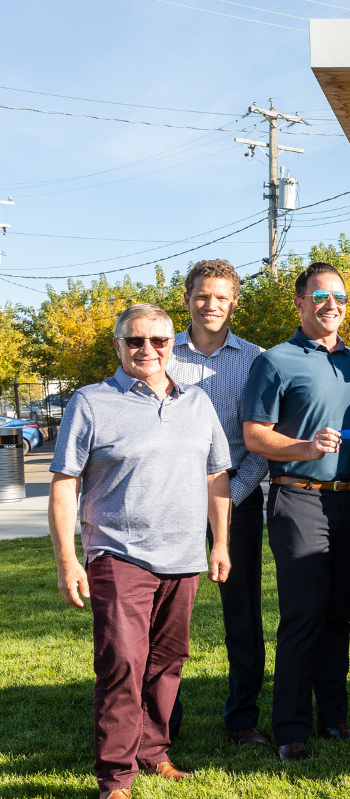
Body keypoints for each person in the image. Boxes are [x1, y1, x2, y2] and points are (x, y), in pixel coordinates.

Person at [48, 303, 232, 799]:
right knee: (123, 662)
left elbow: (217, 475)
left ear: (173, 345)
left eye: (159, 341)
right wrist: (68, 559)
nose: (147, 350)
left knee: (168, 660)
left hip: (185, 556)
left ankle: (153, 751)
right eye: (135, 341)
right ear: (118, 346)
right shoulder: (89, 402)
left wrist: (221, 544)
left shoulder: (198, 402)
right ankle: (116, 776)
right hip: (117, 552)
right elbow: (65, 484)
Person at [242, 262, 350, 763]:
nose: (332, 306)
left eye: (341, 299)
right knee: (303, 615)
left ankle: (335, 718)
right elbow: (254, 434)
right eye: (322, 296)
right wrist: (304, 447)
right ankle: (290, 727)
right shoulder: (276, 361)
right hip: (299, 498)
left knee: (338, 618)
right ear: (301, 303)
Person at [165, 259, 271, 748]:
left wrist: (227, 499)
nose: (212, 305)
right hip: (167, 505)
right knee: (163, 615)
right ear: (187, 299)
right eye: (202, 296)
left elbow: (261, 444)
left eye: (221, 297)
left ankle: (242, 718)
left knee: (243, 615)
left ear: (234, 302)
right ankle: (162, 721)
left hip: (238, 499)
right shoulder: (160, 356)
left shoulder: (256, 360)